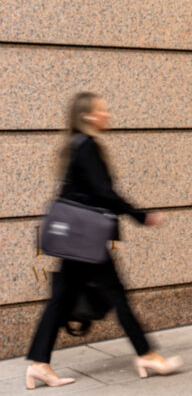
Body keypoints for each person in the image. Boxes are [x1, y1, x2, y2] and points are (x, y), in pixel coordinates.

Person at [25, 92, 183, 390]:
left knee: (62, 298)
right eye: (102, 110)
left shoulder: (76, 144)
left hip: (78, 239)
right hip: (86, 239)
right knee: (115, 295)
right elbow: (103, 192)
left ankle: (39, 364)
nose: (108, 114)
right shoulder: (87, 146)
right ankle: (147, 355)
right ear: (88, 116)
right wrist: (140, 215)